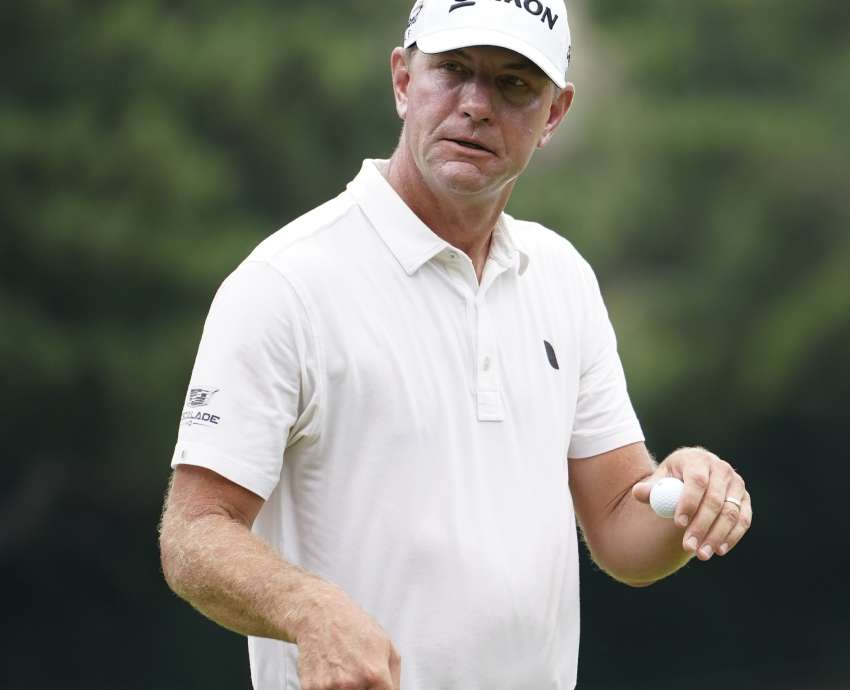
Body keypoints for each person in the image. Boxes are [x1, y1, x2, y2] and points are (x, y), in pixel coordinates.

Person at [157, 0, 753, 688]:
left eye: (513, 84)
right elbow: (194, 532)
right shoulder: (286, 283)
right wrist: (308, 609)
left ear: (554, 115)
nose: (476, 105)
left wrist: (689, 496)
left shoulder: (562, 277)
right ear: (404, 81)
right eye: (454, 71)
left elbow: (622, 524)